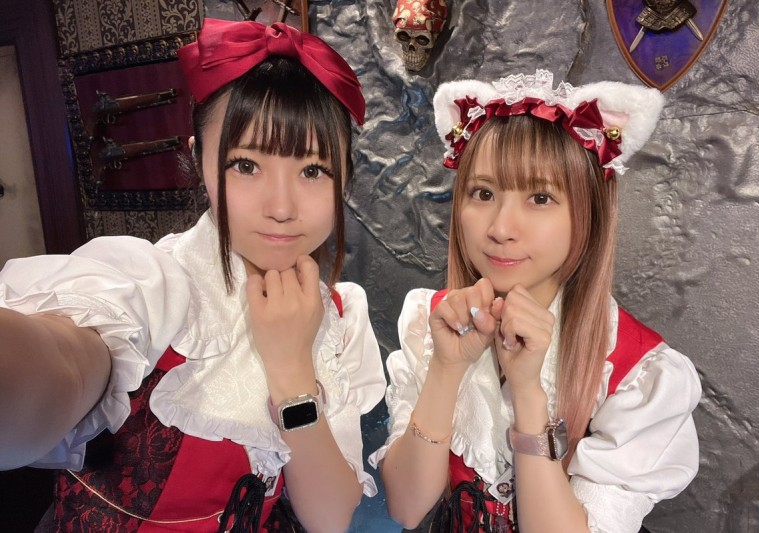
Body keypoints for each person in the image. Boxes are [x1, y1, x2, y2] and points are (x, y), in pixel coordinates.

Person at [0, 18, 386, 533]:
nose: (281, 207)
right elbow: (63, 360)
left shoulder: (343, 318)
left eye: (313, 170)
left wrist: (293, 369)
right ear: (198, 159)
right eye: (246, 165)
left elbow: (330, 518)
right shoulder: (153, 280)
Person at [370, 71, 701, 532]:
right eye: (483, 193)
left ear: (589, 213)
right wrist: (446, 368)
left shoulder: (636, 372)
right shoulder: (431, 320)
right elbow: (406, 508)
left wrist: (528, 394)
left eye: (540, 197)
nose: (501, 228)